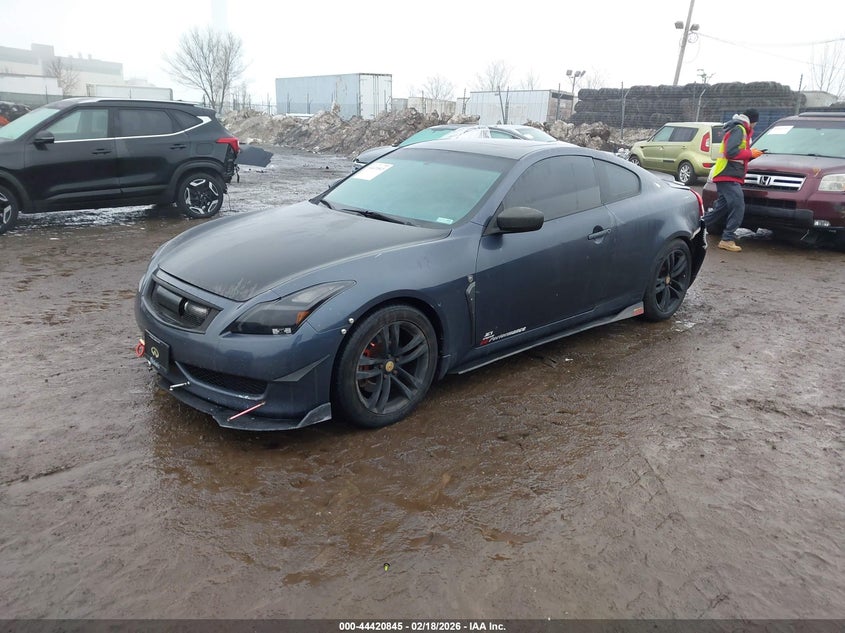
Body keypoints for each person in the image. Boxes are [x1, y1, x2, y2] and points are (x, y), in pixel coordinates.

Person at [703, 108, 764, 252]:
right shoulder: (739, 129)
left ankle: (693, 227)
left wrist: (751, 155)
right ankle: (727, 239)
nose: (755, 125)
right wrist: (750, 153)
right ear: (753, 121)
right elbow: (730, 152)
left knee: (721, 209)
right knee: (738, 206)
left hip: (726, 173)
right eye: (756, 123)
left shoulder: (738, 128)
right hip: (728, 174)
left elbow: (735, 154)